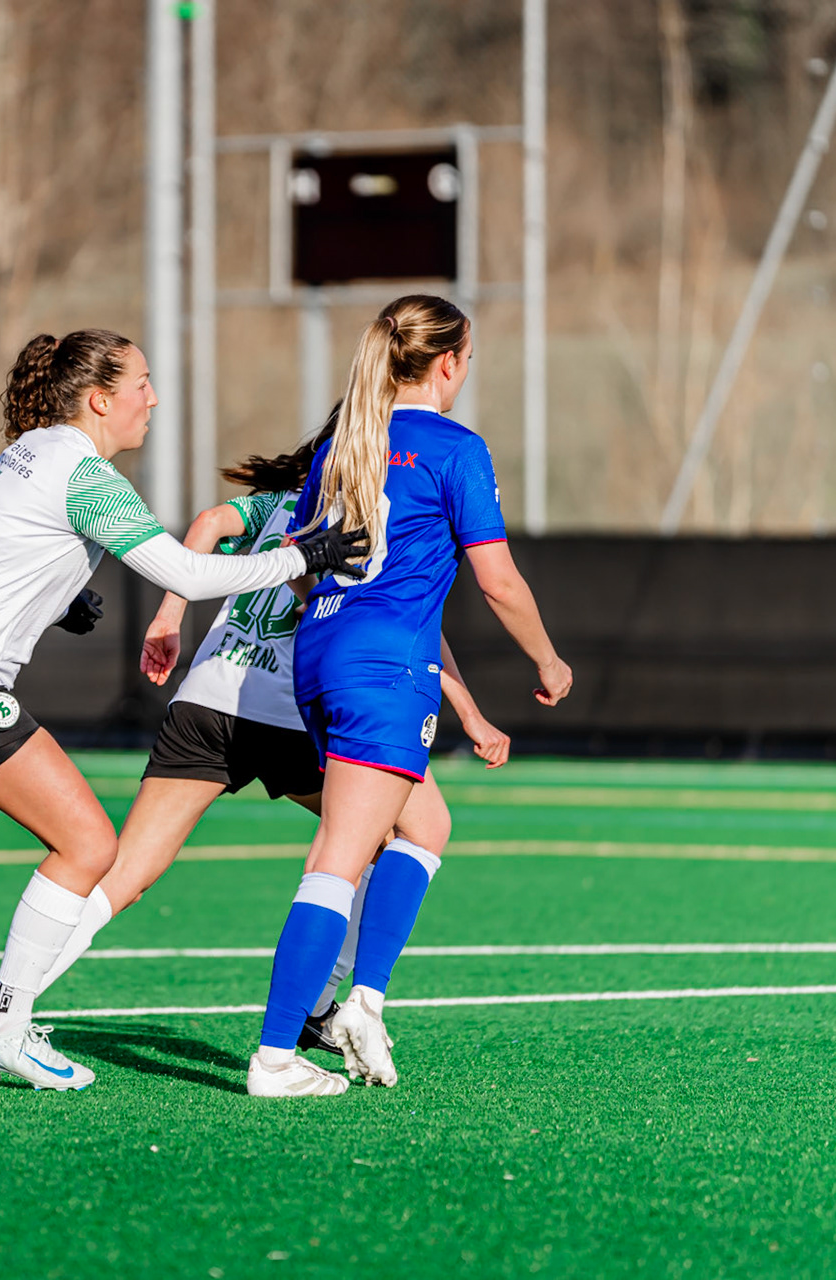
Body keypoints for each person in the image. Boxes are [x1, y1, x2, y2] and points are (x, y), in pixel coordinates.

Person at [0, 328, 368, 1091]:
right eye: (141, 384)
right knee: (90, 844)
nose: (152, 399)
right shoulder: (85, 474)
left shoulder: (32, 451)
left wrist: (60, 598)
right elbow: (190, 573)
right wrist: (304, 556)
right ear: (99, 399)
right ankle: (4, 1028)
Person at [0, 412, 511, 1081]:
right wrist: (470, 712)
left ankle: (5, 1011)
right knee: (408, 831)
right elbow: (404, 618)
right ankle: (328, 1003)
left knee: (126, 873)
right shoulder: (367, 506)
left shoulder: (279, 500)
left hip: (210, 694)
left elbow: (209, 522)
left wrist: (170, 616)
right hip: (295, 711)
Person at [247, 294, 573, 1098]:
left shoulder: (343, 445)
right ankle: (277, 1056)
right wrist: (547, 658)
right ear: (448, 363)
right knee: (337, 860)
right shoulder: (455, 447)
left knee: (425, 825)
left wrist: (464, 707)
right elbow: (497, 582)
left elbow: (302, 567)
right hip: (382, 672)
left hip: (322, 655)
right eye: (468, 360)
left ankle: (362, 1001)